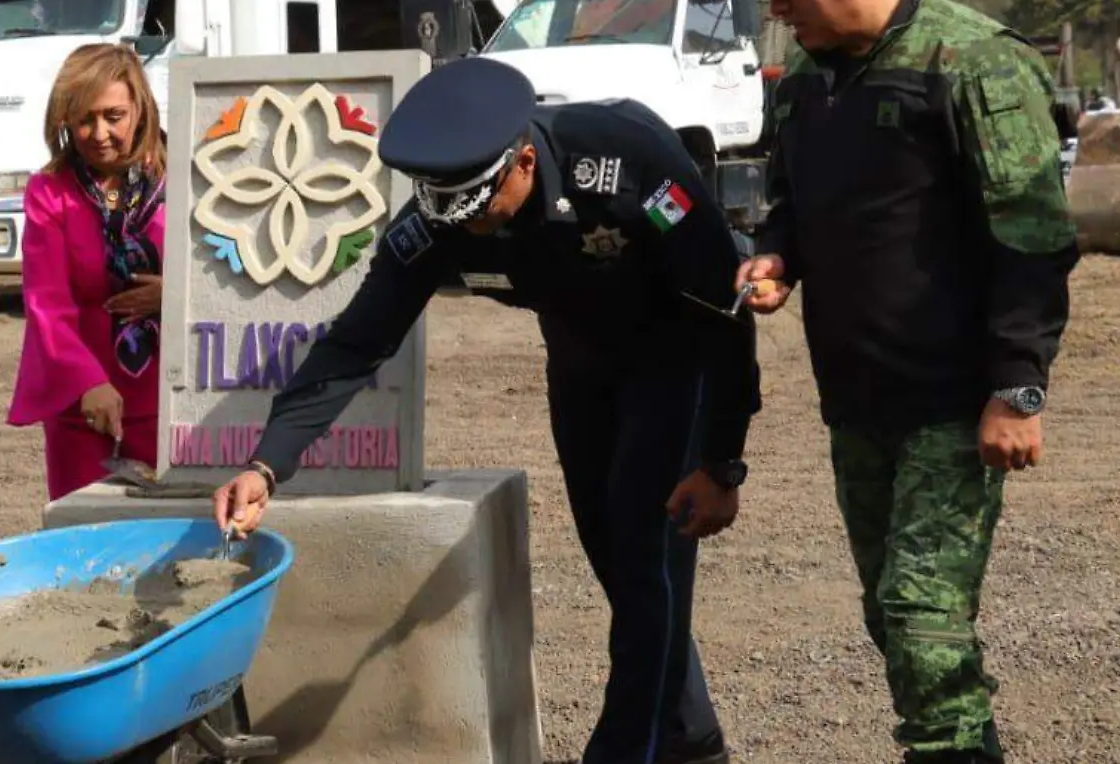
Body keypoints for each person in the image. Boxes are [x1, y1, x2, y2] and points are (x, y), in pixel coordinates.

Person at [213, 56, 761, 764]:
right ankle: (692, 739)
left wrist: (721, 460)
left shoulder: (627, 164)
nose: (462, 229)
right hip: (580, 368)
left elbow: (723, 302)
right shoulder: (448, 207)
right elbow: (358, 341)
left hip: (670, 357)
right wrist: (268, 462)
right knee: (618, 564)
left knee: (642, 554)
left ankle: (629, 749)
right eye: (443, 211)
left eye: (476, 212)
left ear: (525, 163)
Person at [730, 0, 1079, 764]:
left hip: (953, 404)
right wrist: (778, 257)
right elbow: (792, 206)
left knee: (923, 626)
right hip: (858, 405)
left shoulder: (972, 62)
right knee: (895, 617)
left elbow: (1032, 242)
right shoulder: (806, 82)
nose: (775, 7)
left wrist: (1016, 387)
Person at [8, 43, 167, 501]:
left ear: (140, 107)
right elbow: (46, 302)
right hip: (85, 408)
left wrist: (177, 295)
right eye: (83, 119)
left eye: (113, 116)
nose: (99, 133)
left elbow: (225, 272)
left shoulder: (188, 177)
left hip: (173, 403)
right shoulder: (49, 191)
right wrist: (87, 382)